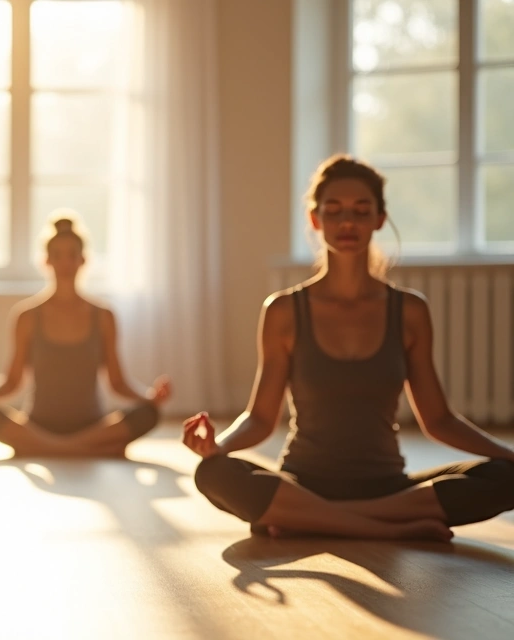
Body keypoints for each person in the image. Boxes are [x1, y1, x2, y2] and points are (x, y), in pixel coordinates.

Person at [186, 154, 514, 541]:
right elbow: (260, 418)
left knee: (506, 476)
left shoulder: (409, 310)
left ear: (378, 219)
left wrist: (509, 454)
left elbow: (438, 419)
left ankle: (317, 520)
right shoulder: (283, 311)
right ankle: (382, 529)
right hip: (303, 482)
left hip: (387, 487)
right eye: (334, 210)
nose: (347, 222)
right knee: (213, 473)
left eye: (361, 211)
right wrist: (216, 446)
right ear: (315, 219)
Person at [0, 216, 171, 457]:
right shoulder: (26, 316)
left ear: (83, 260)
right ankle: (81, 448)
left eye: (72, 255)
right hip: (39, 425)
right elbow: (12, 380)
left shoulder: (104, 316)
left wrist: (149, 396)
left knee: (149, 413)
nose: (65, 263)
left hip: (92, 425)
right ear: (46, 261)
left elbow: (117, 382)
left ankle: (50, 448)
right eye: (57, 255)